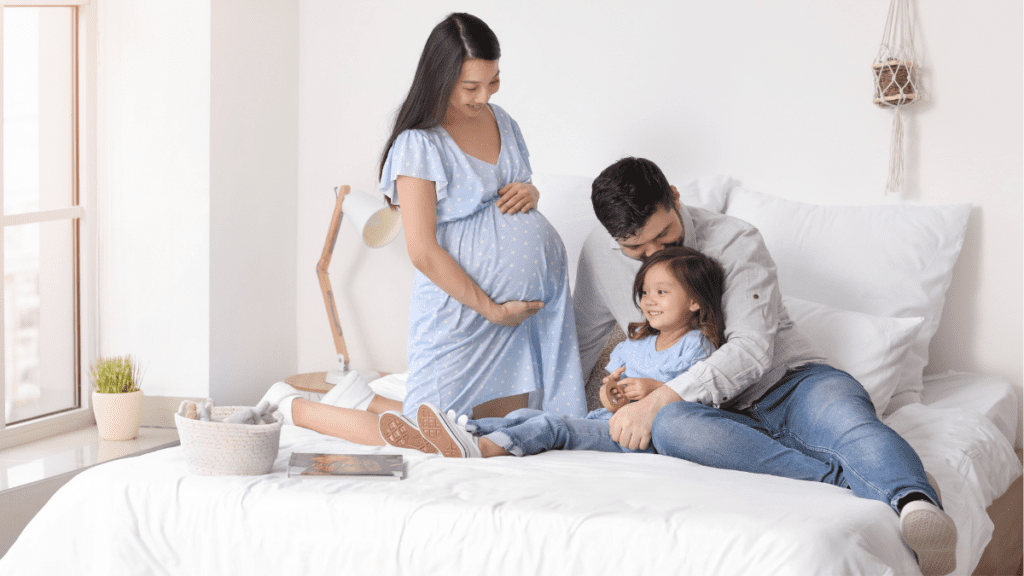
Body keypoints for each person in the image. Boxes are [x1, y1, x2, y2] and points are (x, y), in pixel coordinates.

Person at [569, 156, 957, 576]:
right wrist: (569, 420)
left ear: (675, 198)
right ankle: (858, 474)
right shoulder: (598, 253)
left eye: (663, 235)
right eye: (635, 249)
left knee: (847, 421)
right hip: (710, 413)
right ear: (612, 237)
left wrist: (657, 399)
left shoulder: (735, 240)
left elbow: (751, 350)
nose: (655, 254)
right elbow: (580, 344)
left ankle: (916, 506)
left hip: (791, 382)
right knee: (671, 426)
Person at [260, 13, 585, 451]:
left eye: (493, 81)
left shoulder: (503, 121)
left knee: (483, 430)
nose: (485, 95)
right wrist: (491, 309)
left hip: (520, 320)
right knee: (422, 437)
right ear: (441, 78)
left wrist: (531, 191)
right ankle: (291, 405)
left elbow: (515, 193)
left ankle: (361, 398)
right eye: (471, 87)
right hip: (463, 311)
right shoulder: (419, 144)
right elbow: (422, 250)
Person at [383, 246, 725, 459]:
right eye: (645, 292)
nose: (649, 301)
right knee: (523, 415)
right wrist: (611, 395)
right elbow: (608, 400)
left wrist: (653, 389)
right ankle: (453, 432)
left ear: (695, 301)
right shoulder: (634, 343)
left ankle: (483, 448)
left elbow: (700, 405)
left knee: (551, 425)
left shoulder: (697, 345)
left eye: (662, 292)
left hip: (635, 438)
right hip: (606, 420)